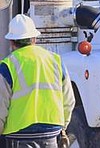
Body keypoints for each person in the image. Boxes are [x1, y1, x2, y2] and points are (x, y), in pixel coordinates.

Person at [0, 14, 75, 148]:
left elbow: (1, 105)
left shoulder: (8, 65)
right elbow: (69, 100)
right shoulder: (55, 60)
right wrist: (63, 127)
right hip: (51, 132)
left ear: (11, 42)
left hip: (19, 133)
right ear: (34, 39)